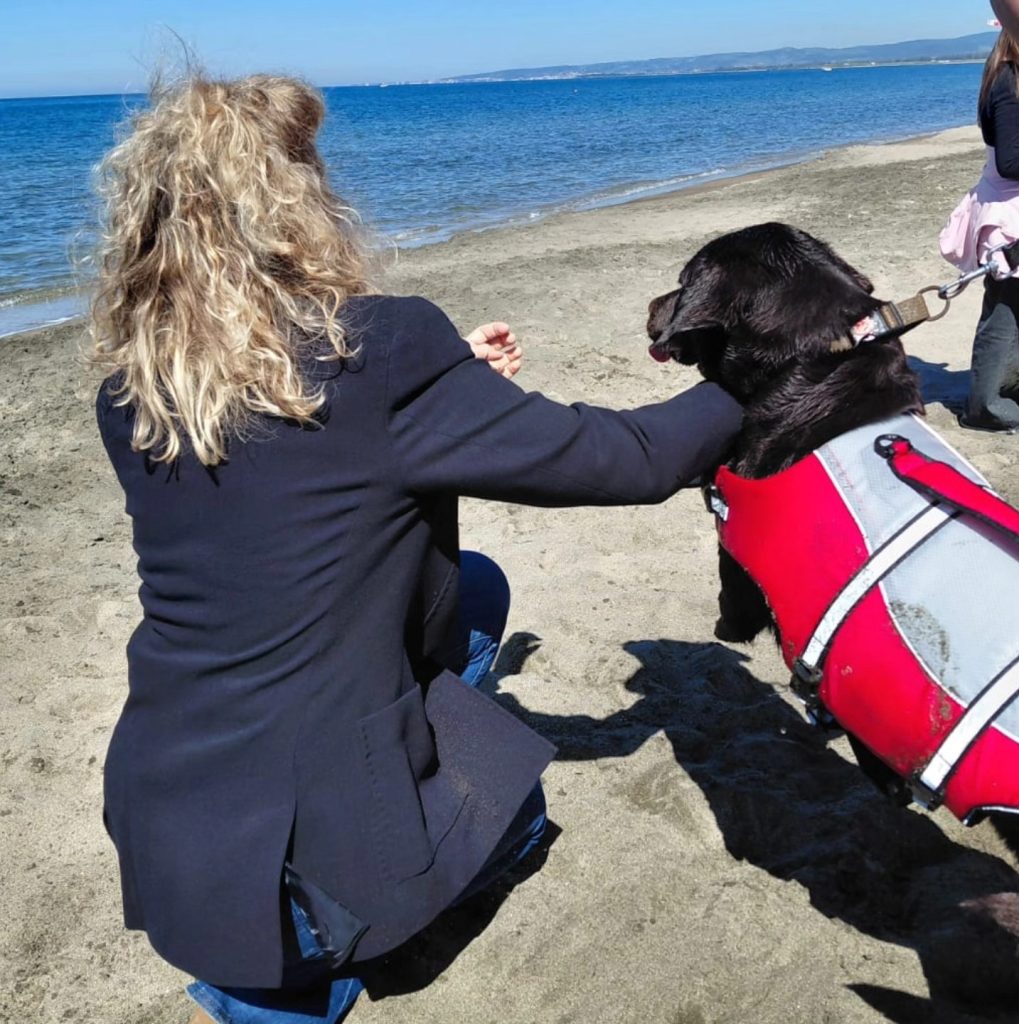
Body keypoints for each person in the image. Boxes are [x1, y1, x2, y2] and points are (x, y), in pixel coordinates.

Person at [90, 75, 742, 1024]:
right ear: (299, 201)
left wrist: (455, 390)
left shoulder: (133, 389)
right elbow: (634, 459)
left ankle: (278, 946)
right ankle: (294, 970)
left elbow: (294, 495)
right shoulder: (381, 351)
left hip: (164, 819)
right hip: (296, 859)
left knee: (476, 589)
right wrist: (774, 375)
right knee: (520, 820)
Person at [939, 30, 1019, 433]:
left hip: (1011, 206)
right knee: (1004, 315)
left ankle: (1007, 394)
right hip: (1011, 214)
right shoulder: (1011, 77)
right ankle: (987, 406)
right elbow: (1011, 159)